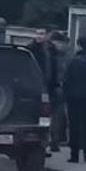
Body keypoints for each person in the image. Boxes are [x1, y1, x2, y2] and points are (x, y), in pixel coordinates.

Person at [26, 25, 60, 156]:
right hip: (34, 87)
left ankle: (44, 145)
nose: (39, 36)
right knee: (37, 118)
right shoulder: (30, 49)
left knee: (47, 118)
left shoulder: (52, 49)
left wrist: (56, 84)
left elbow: (55, 68)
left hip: (48, 87)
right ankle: (39, 146)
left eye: (42, 34)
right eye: (37, 33)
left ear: (47, 35)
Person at [48, 31, 70, 152]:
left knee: (57, 117)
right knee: (55, 117)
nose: (66, 46)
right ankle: (53, 141)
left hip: (56, 90)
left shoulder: (58, 55)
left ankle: (54, 140)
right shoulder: (54, 56)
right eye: (64, 43)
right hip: (55, 89)